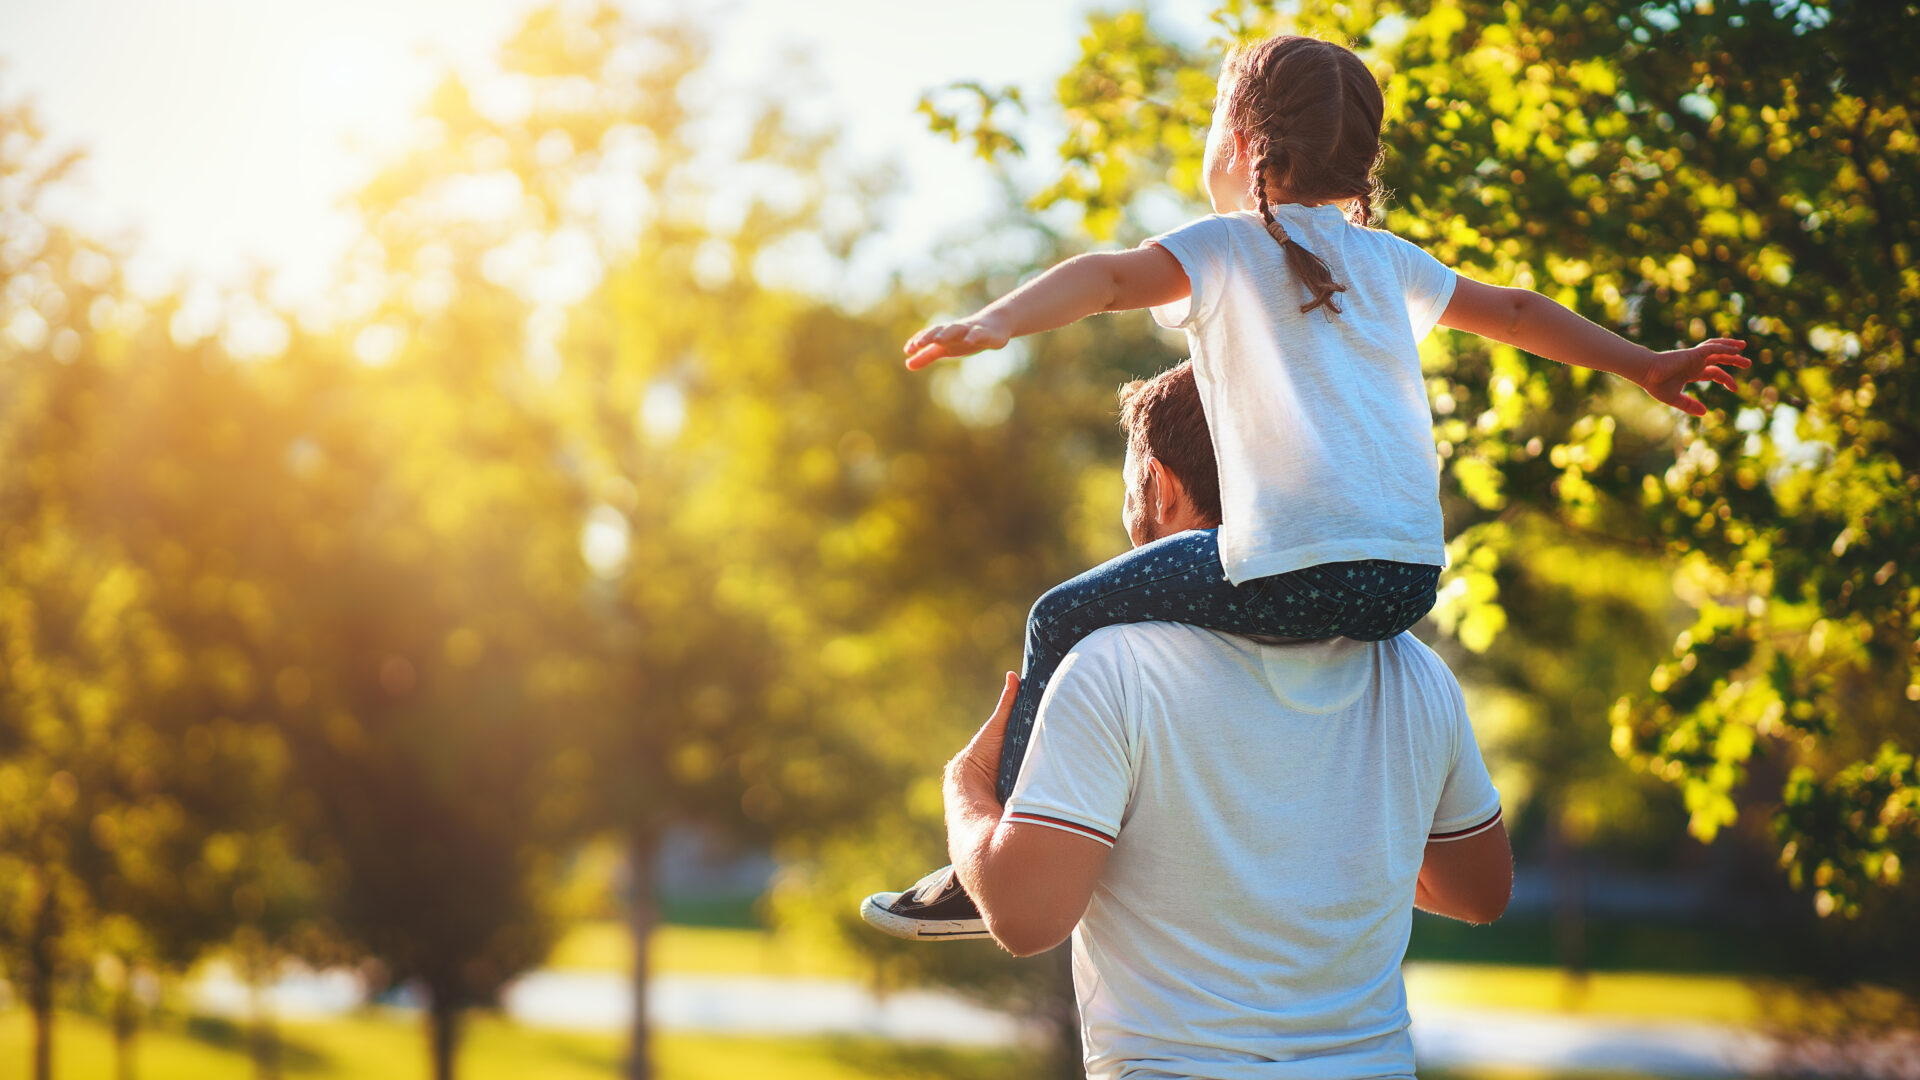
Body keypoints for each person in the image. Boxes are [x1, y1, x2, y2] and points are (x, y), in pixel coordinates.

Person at [864, 31, 1747, 938]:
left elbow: (1108, 277)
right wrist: (1644, 364)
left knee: (1059, 615)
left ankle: (998, 854)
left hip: (1291, 569)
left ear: (1242, 143)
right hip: (1405, 582)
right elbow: (1518, 312)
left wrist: (995, 322)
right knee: (1208, 579)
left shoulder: (1226, 248)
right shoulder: (1390, 260)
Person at [955, 362, 1510, 1079]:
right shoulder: (1413, 669)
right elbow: (1479, 892)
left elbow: (1025, 918)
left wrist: (966, 788)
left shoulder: (1111, 666)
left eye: (1132, 490)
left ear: (1161, 485)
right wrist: (1307, 852)